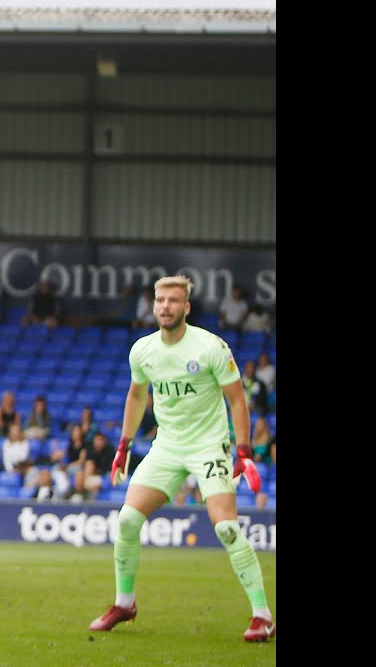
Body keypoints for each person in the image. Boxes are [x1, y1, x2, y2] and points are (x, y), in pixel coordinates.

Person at [88, 274, 273, 642]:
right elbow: (137, 396)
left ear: (186, 307)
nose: (165, 307)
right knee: (126, 520)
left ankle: (262, 616)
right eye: (160, 301)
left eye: (173, 301)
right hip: (168, 446)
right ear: (154, 304)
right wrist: (124, 444)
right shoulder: (142, 350)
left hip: (209, 445)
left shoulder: (211, 347)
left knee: (226, 528)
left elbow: (238, 400)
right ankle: (125, 603)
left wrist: (243, 451)